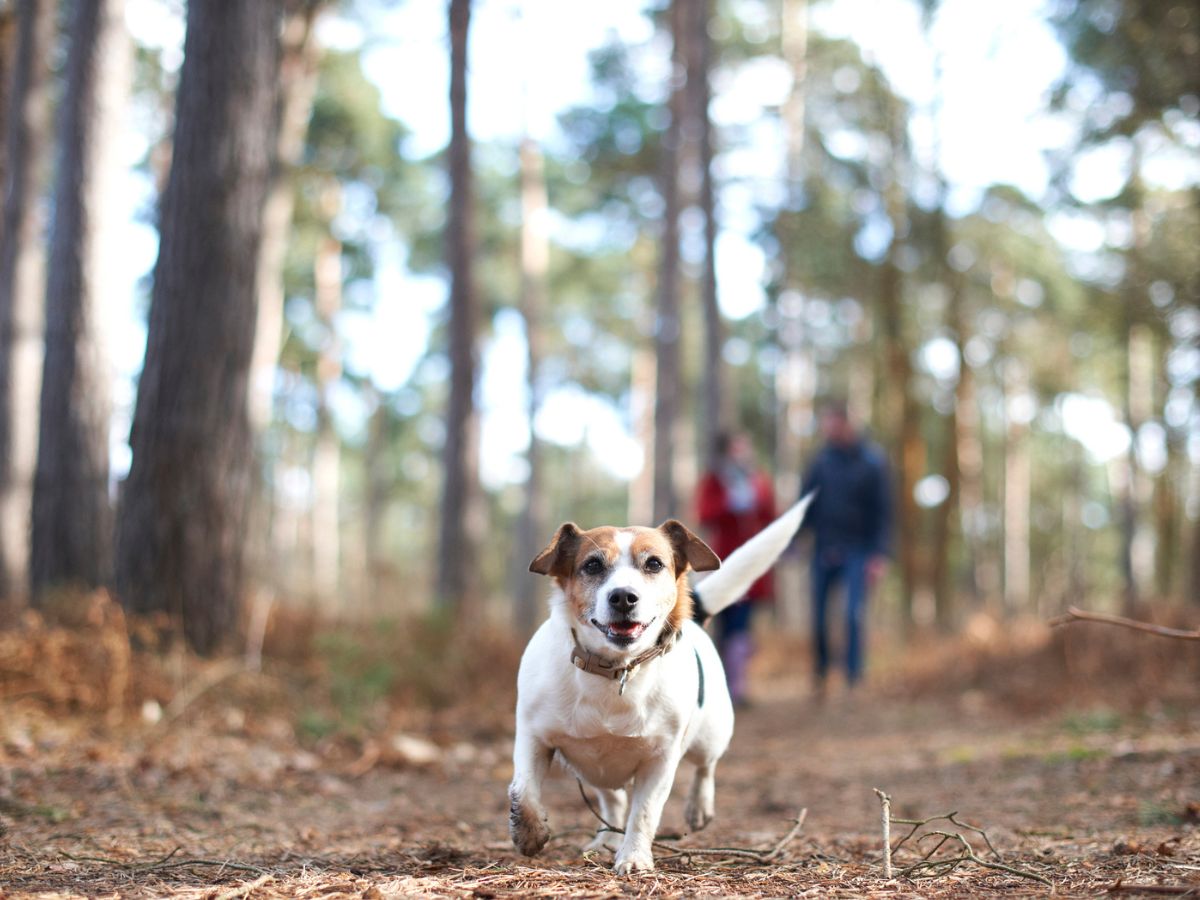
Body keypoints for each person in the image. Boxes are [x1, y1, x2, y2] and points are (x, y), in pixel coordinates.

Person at [799, 399, 891, 694]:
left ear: (846, 424)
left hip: (860, 551)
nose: (827, 430)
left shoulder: (873, 461)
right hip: (825, 548)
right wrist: (793, 540)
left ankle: (854, 677)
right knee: (819, 616)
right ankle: (822, 672)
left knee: (853, 614)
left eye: (831, 424)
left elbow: (885, 512)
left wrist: (880, 554)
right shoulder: (821, 461)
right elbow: (805, 505)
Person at [696, 431, 776, 706]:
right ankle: (717, 684)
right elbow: (705, 514)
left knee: (742, 624)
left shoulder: (758, 479)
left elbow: (769, 514)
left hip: (750, 564)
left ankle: (738, 687)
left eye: (745, 447)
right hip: (722, 562)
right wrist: (730, 503)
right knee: (721, 624)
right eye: (737, 447)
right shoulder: (714, 480)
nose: (743, 453)